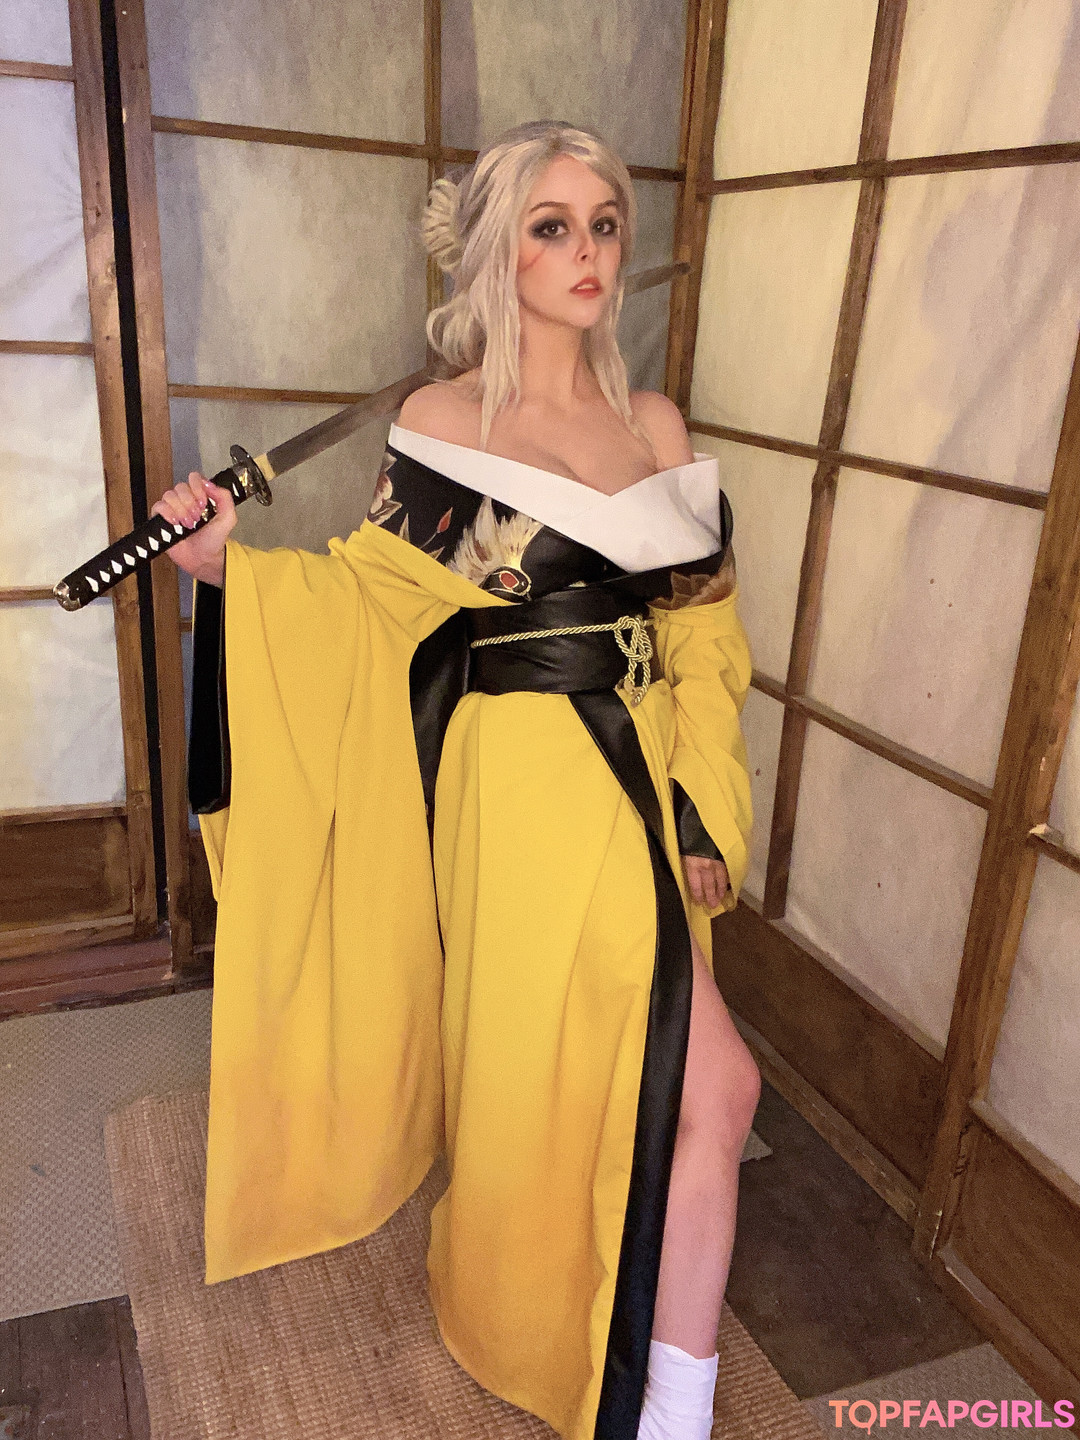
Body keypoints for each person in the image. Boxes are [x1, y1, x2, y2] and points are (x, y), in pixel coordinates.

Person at [154, 119, 760, 1440]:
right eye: (552, 226)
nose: (589, 251)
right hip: (522, 784)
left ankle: (668, 1401)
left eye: (605, 224)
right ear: (498, 252)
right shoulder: (443, 427)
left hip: (653, 774)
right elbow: (373, 608)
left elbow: (708, 633)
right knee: (636, 1072)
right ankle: (549, 1324)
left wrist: (706, 794)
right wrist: (228, 569)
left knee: (686, 1083)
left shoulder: (656, 427)